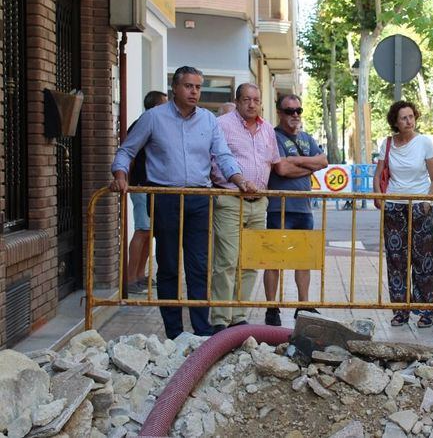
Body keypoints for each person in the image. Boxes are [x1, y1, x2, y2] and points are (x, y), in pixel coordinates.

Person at [110, 66, 256, 339]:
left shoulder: (209, 121)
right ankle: (174, 331)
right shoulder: (153, 118)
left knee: (199, 265)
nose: (194, 92)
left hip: (200, 199)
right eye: (189, 86)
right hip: (165, 198)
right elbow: (126, 151)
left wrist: (239, 180)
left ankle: (201, 330)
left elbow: (223, 155)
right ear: (174, 88)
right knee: (167, 265)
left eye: (198, 87)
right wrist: (120, 175)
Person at [209, 83, 298, 334]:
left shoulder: (267, 129)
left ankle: (239, 314)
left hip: (259, 203)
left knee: (250, 261)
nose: (251, 104)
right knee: (226, 260)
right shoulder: (222, 125)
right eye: (246, 99)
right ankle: (220, 317)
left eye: (256, 100)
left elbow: (276, 163)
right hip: (229, 198)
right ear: (237, 101)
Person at [373, 101, 433, 328]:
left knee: (424, 260)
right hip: (394, 205)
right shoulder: (388, 143)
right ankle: (400, 310)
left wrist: (428, 202)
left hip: (420, 205)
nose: (409, 121)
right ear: (395, 121)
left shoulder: (424, 143)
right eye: (404, 118)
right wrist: (380, 198)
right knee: (396, 260)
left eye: (411, 116)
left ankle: (427, 310)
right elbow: (378, 174)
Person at [264, 94, 328, 326]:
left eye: (298, 111)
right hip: (279, 207)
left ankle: (304, 305)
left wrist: (297, 163)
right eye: (289, 111)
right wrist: (308, 164)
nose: (295, 115)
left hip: (303, 208)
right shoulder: (272, 136)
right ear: (279, 113)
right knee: (274, 260)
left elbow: (323, 162)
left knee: (304, 259)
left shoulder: (306, 137)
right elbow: (281, 169)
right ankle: (271, 308)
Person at [126, 90, 168, 294]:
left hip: (151, 186)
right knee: (142, 231)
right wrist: (131, 182)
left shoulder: (157, 125)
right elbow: (129, 154)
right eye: (165, 104)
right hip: (142, 185)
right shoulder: (143, 124)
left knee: (148, 232)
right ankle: (130, 278)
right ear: (156, 107)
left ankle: (141, 275)